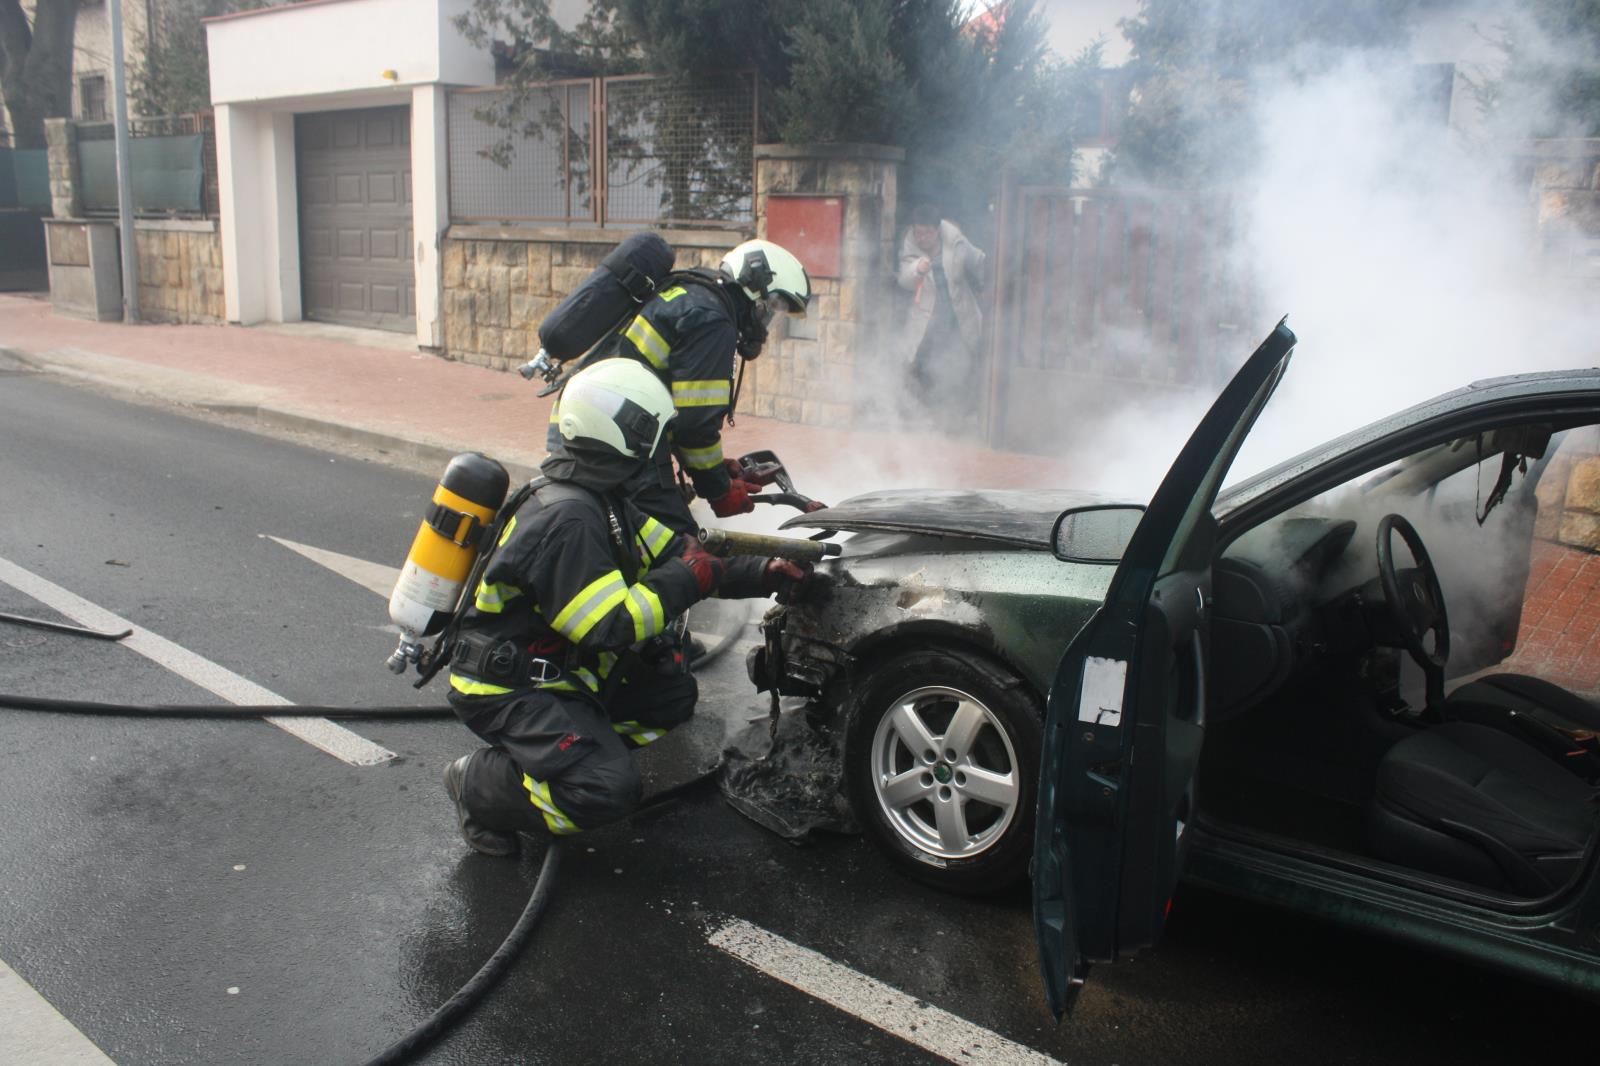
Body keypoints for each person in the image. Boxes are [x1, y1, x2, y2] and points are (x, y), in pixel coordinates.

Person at [444, 358, 808, 856]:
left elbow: (685, 555)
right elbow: (609, 626)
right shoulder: (569, 519)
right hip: (510, 685)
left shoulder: (608, 502)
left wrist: (764, 573)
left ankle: (569, 750)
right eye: (651, 437)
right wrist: (684, 578)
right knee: (605, 789)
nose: (658, 451)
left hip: (563, 672)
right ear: (617, 436)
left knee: (671, 697)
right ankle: (479, 786)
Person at [547, 238, 812, 535]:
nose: (766, 322)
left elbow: (667, 406)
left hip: (587, 424)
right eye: (771, 307)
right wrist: (719, 491)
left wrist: (716, 469)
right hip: (618, 444)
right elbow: (694, 426)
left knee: (613, 536)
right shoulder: (713, 320)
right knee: (680, 550)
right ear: (755, 289)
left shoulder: (689, 294)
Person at [896, 205, 987, 422]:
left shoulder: (956, 242)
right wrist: (917, 269)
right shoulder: (910, 247)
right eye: (918, 232)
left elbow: (978, 262)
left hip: (958, 317)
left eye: (926, 233)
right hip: (927, 321)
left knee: (961, 366)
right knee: (924, 367)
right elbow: (904, 279)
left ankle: (959, 416)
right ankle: (927, 418)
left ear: (937, 231)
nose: (921, 238)